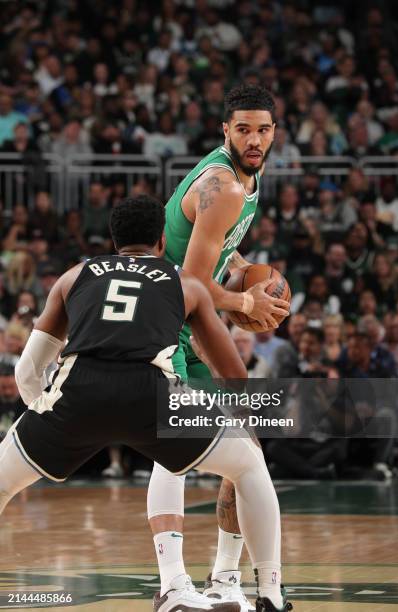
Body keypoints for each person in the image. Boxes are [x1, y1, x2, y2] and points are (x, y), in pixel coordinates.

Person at [0, 196, 292, 612]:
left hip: (78, 394)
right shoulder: (185, 282)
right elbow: (234, 372)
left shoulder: (74, 276)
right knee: (247, 463)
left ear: (113, 240)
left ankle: (178, 585)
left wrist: (50, 419)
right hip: (153, 396)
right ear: (161, 240)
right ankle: (269, 592)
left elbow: (28, 369)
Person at [149, 84, 290, 612]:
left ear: (274, 132)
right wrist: (245, 302)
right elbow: (189, 279)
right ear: (224, 130)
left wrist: (237, 273)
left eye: (263, 129)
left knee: (247, 447)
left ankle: (225, 580)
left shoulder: (248, 176)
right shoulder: (222, 185)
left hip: (193, 320)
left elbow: (215, 249)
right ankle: (173, 585)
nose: (254, 139)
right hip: (169, 322)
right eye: (244, 129)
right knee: (180, 445)